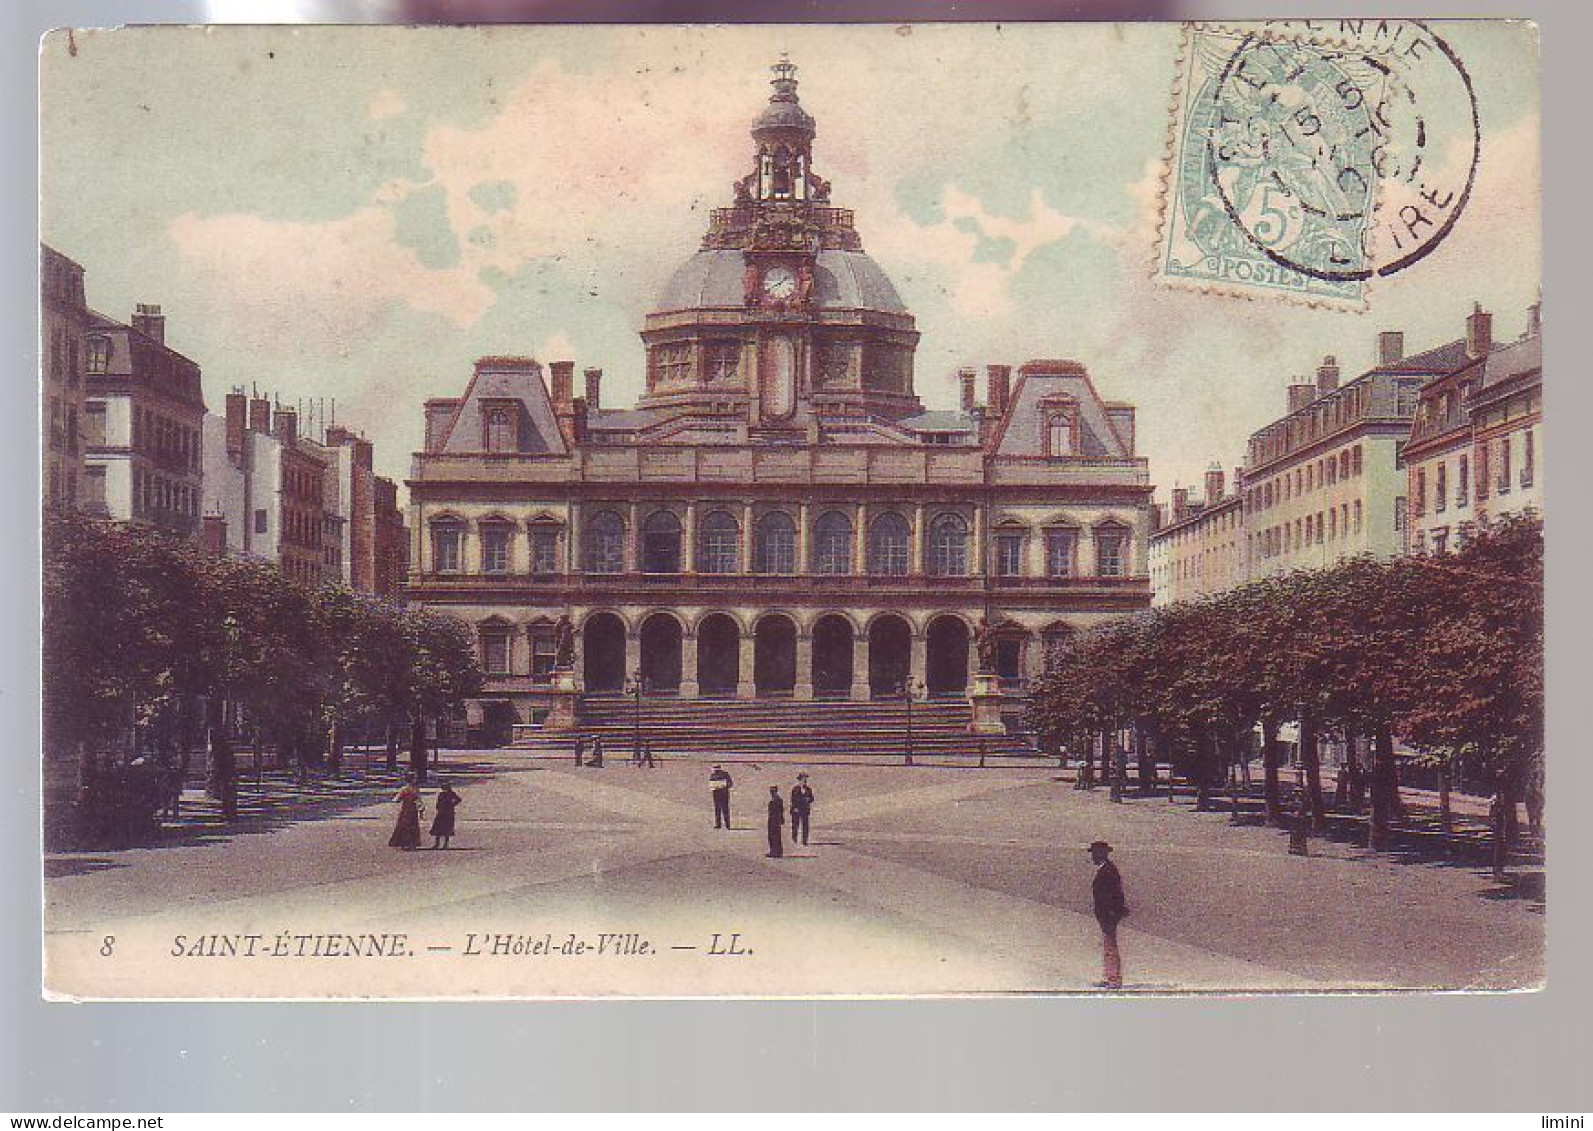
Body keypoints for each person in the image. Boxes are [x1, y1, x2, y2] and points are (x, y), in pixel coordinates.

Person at [1087, 840, 1128, 989]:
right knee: (1108, 946)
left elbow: (1115, 895)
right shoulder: (1107, 869)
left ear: (1100, 855)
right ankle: (1110, 977)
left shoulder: (1108, 871)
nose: (1092, 857)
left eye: (1094, 854)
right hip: (1107, 914)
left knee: (1110, 946)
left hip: (1109, 915)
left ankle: (1114, 980)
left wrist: (1111, 914)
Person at [389, 774, 424, 851]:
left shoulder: (413, 789)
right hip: (406, 809)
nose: (415, 780)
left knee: (411, 826)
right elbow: (397, 798)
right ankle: (404, 843)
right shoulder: (406, 789)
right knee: (405, 826)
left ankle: (411, 843)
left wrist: (421, 807)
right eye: (414, 778)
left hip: (411, 810)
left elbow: (418, 799)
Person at [430, 780, 462, 850]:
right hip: (441, 813)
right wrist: (438, 807)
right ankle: (437, 844)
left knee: (447, 829)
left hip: (448, 813)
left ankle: (445, 844)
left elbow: (459, 799)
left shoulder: (451, 793)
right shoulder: (441, 794)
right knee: (438, 829)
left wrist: (452, 804)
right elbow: (438, 803)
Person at [790, 772, 814, 847]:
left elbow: (812, 798)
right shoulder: (795, 789)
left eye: (805, 780)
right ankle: (794, 839)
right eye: (803, 779)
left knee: (805, 825)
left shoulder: (808, 789)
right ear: (800, 780)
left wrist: (808, 799)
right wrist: (795, 808)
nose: (805, 781)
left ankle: (804, 841)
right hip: (797, 810)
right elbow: (793, 799)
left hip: (805, 810)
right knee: (795, 825)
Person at [709, 764, 733, 829]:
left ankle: (727, 825)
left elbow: (730, 784)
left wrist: (724, 785)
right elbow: (711, 784)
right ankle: (718, 824)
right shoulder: (712, 775)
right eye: (714, 768)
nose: (715, 769)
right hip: (716, 794)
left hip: (724, 794)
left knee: (725, 809)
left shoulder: (725, 774)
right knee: (717, 809)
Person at [766, 785, 786, 858]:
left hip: (775, 819)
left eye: (772, 791)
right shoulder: (775, 799)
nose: (771, 793)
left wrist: (781, 818)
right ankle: (775, 851)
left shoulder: (777, 800)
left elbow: (780, 810)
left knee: (775, 835)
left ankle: (776, 851)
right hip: (773, 819)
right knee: (772, 835)